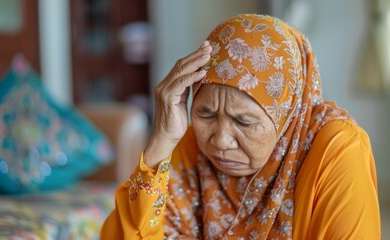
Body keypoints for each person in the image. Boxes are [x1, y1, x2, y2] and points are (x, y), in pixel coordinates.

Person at [101, 14, 381, 239]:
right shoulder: (189, 147)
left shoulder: (336, 150)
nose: (220, 141)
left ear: (286, 116)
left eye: (244, 121)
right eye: (206, 114)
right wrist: (161, 139)